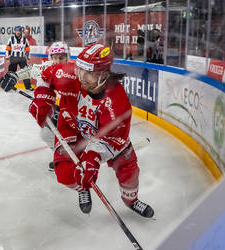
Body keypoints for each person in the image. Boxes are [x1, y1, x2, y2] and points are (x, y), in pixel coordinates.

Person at [28, 43, 154, 217]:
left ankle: (131, 201)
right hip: (71, 127)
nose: (81, 77)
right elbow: (45, 74)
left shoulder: (117, 103)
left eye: (89, 73)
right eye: (80, 69)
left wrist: (92, 158)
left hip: (103, 138)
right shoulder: (70, 74)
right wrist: (43, 96)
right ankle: (83, 188)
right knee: (65, 174)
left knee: (128, 169)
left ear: (103, 75)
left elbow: (111, 140)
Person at [0, 41, 71, 171]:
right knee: (46, 133)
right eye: (54, 57)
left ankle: (78, 155)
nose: (57, 61)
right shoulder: (47, 67)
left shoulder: (73, 71)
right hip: (59, 110)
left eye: (61, 57)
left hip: (76, 113)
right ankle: (63, 156)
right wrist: (14, 76)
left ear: (67, 57)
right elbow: (31, 70)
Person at [5, 25, 33, 91]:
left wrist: (28, 58)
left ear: (21, 31)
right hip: (13, 58)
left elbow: (27, 49)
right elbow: (8, 49)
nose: (18, 32)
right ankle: (9, 86)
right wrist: (7, 58)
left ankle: (28, 87)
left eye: (19, 31)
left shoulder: (25, 40)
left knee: (25, 72)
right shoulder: (11, 39)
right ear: (15, 31)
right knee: (11, 73)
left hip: (22, 58)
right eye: (16, 31)